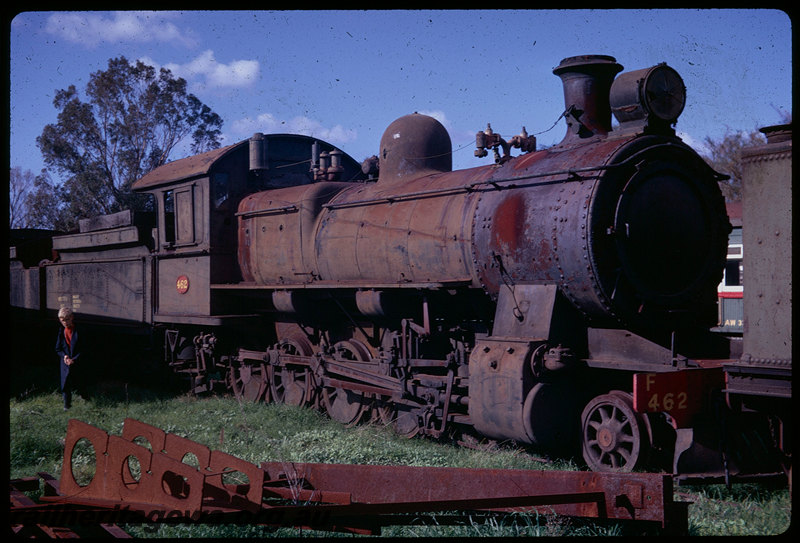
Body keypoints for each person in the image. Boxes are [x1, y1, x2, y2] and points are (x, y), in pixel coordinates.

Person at [55, 307, 88, 409]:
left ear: (72, 318)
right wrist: (64, 356)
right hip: (65, 362)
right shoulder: (61, 331)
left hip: (77, 361)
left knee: (80, 381)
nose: (65, 322)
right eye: (62, 320)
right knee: (65, 384)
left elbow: (84, 348)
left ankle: (85, 398)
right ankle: (67, 405)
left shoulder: (78, 331)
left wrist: (74, 359)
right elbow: (58, 348)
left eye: (67, 320)